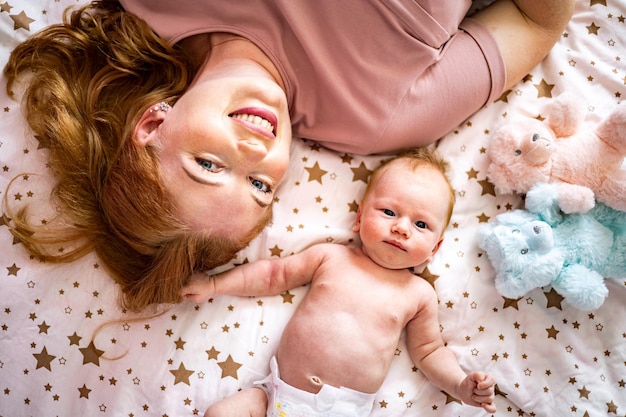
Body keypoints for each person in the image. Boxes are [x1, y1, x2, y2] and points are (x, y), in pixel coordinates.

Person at [4, 0, 575, 312]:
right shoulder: (377, 117)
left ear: (153, 123)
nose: (255, 152)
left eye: (209, 166)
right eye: (259, 186)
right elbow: (536, 19)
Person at [182, 147, 496, 416]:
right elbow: (271, 275)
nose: (402, 228)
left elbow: (428, 352)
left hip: (345, 410)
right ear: (359, 218)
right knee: (220, 413)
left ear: (435, 248)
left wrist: (458, 384)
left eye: (421, 224)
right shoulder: (331, 258)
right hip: (274, 396)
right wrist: (214, 285)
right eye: (388, 211)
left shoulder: (418, 294)